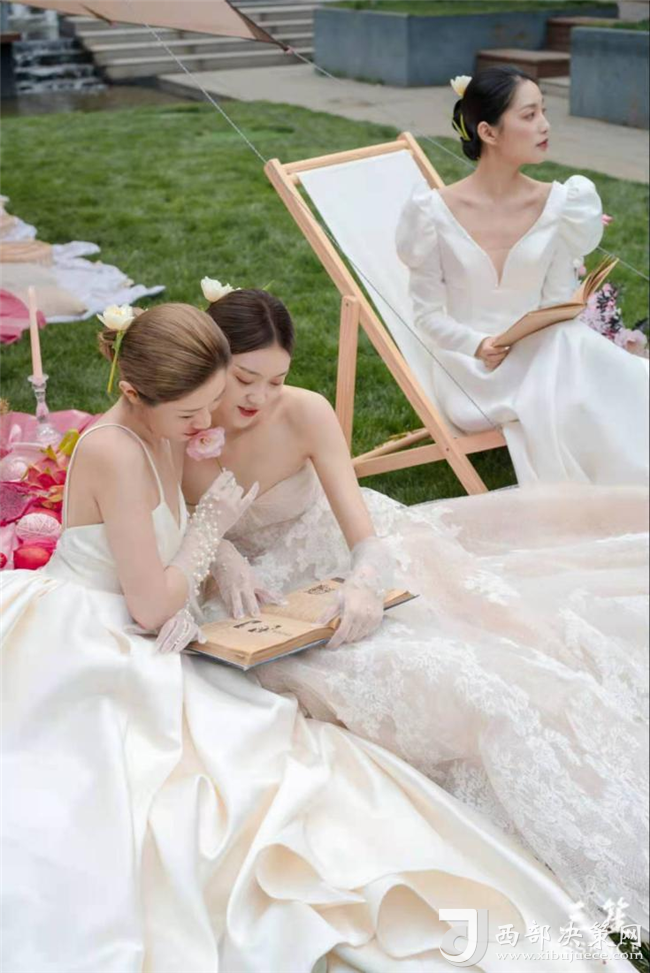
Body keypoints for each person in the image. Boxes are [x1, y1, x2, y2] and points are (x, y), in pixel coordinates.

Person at [3, 302, 626, 973]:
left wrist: (213, 549)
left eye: (220, 401)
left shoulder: (164, 427)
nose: (207, 425)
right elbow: (153, 597)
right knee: (204, 779)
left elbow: (160, 556)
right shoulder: (119, 448)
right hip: (97, 627)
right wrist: (210, 533)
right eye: (198, 410)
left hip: (151, 604)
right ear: (135, 393)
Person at [183, 286, 649, 930]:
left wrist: (365, 584)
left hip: (336, 557)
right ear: (210, 362)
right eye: (244, 379)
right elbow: (162, 517)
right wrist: (220, 552)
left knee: (499, 647)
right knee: (405, 681)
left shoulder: (304, 413)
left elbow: (364, 536)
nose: (259, 396)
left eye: (276, 379)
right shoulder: (178, 421)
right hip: (254, 594)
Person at [395, 66, 648, 486]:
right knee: (583, 361)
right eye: (529, 115)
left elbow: (556, 304)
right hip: (472, 372)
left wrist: (557, 314)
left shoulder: (561, 203)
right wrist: (478, 345)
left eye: (544, 111)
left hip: (542, 353)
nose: (545, 125)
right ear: (488, 132)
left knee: (572, 345)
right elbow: (426, 317)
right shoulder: (430, 214)